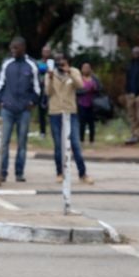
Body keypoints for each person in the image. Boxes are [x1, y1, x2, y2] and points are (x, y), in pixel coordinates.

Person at [0, 37, 40, 182]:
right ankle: (3, 172)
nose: (13, 51)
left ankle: (19, 172)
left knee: (22, 142)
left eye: (16, 48)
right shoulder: (7, 64)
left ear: (23, 48)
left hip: (24, 110)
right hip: (7, 109)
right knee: (4, 142)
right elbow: (0, 84)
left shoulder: (31, 65)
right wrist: (0, 100)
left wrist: (33, 101)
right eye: (12, 48)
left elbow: (37, 87)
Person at [45, 53, 93, 184]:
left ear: (67, 62)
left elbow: (80, 85)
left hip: (70, 112)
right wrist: (49, 77)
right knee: (58, 145)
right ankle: (59, 173)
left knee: (76, 144)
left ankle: (83, 173)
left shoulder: (74, 71)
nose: (60, 63)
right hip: (55, 112)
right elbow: (48, 92)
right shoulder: (50, 74)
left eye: (63, 61)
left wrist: (69, 72)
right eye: (58, 61)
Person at [76, 62, 101, 144]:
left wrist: (95, 89)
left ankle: (92, 140)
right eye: (84, 68)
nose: (86, 69)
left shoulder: (94, 78)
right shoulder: (79, 78)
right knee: (82, 123)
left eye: (87, 68)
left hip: (92, 104)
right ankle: (81, 139)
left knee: (91, 123)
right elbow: (76, 91)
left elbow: (100, 89)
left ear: (90, 69)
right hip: (81, 103)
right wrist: (86, 91)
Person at [36, 44, 53, 138]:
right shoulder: (38, 62)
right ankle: (42, 132)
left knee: (51, 112)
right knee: (41, 112)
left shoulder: (53, 63)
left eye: (48, 51)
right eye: (44, 51)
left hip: (51, 89)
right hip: (41, 89)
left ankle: (52, 131)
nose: (46, 53)